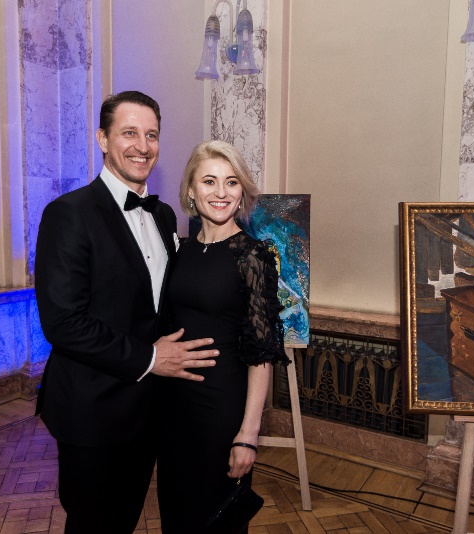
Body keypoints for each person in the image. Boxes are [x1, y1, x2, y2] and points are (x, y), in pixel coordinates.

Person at [34, 91, 219, 534]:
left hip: (148, 409)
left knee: (126, 520)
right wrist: (151, 358)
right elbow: (63, 323)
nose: (142, 146)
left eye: (151, 135)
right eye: (129, 133)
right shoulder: (68, 213)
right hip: (92, 410)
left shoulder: (163, 215)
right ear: (103, 139)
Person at [157, 140, 289, 533]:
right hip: (173, 409)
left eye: (231, 182)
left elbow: (261, 354)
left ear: (242, 191)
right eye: (209, 181)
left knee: (216, 521)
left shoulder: (252, 256)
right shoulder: (179, 251)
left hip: (220, 411)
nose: (221, 192)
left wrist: (248, 434)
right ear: (191, 190)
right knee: (176, 516)